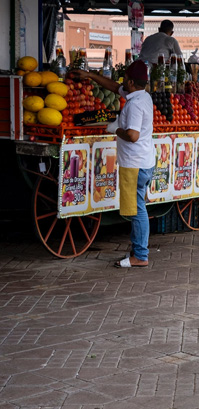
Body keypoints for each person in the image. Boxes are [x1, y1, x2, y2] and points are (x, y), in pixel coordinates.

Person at [72, 61, 154, 268]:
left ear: (132, 81)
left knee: (137, 210)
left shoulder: (134, 104)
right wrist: (89, 75)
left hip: (135, 164)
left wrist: (114, 129)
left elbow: (133, 135)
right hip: (143, 161)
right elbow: (112, 86)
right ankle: (138, 250)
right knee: (139, 207)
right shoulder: (142, 96)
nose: (122, 81)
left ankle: (141, 256)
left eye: (125, 78)